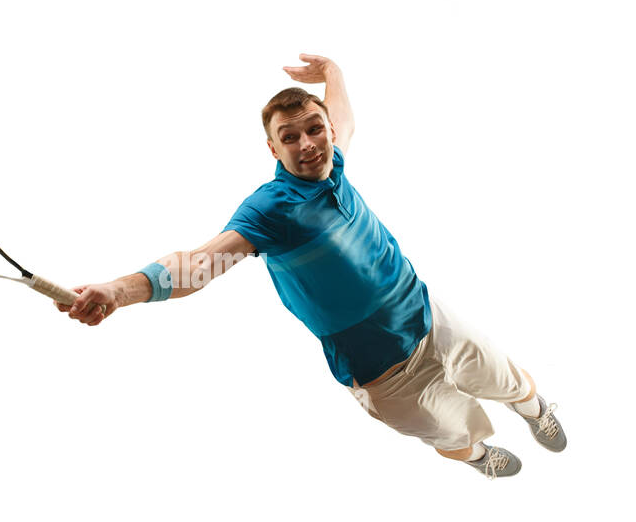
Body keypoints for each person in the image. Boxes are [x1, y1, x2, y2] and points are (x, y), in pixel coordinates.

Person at [56, 54, 565, 478]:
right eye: (290, 137)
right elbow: (196, 265)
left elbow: (343, 118)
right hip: (384, 376)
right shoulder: (270, 211)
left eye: (314, 129)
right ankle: (477, 458)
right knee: (453, 436)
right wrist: (118, 291)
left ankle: (535, 411)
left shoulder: (334, 157)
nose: (308, 145)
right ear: (272, 148)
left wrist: (334, 73)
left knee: (511, 379)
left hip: (431, 318)